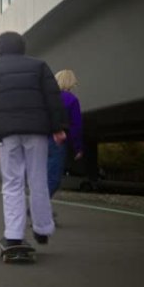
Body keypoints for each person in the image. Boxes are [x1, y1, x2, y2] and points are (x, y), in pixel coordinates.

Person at [0, 32, 67, 247]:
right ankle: (42, 228)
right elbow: (52, 97)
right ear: (22, 47)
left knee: (12, 183)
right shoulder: (39, 66)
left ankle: (14, 235)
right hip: (36, 130)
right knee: (38, 180)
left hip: (6, 133)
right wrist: (58, 128)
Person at [48, 69, 84, 200]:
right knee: (53, 179)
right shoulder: (71, 99)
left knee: (41, 177)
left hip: (40, 140)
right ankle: (37, 210)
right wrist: (78, 147)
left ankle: (40, 210)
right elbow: (76, 126)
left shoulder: (46, 98)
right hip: (57, 142)